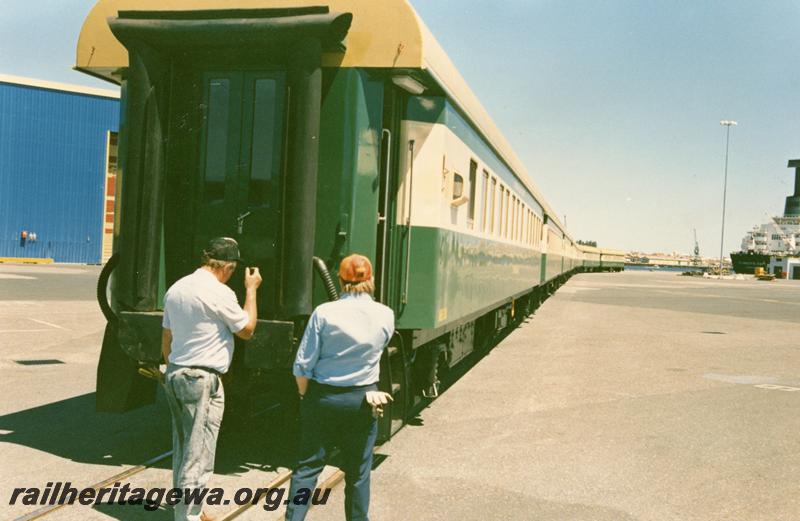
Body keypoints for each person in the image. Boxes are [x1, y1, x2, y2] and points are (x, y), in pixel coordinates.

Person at [285, 254, 395, 521]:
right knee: (358, 472)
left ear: (340, 279)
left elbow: (302, 366)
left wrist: (304, 395)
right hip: (363, 400)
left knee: (307, 469)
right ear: (370, 279)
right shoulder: (385, 314)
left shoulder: (324, 313)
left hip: (323, 397)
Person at [161, 237, 262, 521]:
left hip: (177, 373)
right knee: (200, 453)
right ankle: (188, 518)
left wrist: (172, 371)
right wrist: (251, 291)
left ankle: (191, 509)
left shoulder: (176, 289)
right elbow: (247, 329)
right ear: (228, 268)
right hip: (202, 377)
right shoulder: (220, 292)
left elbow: (166, 339)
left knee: (183, 450)